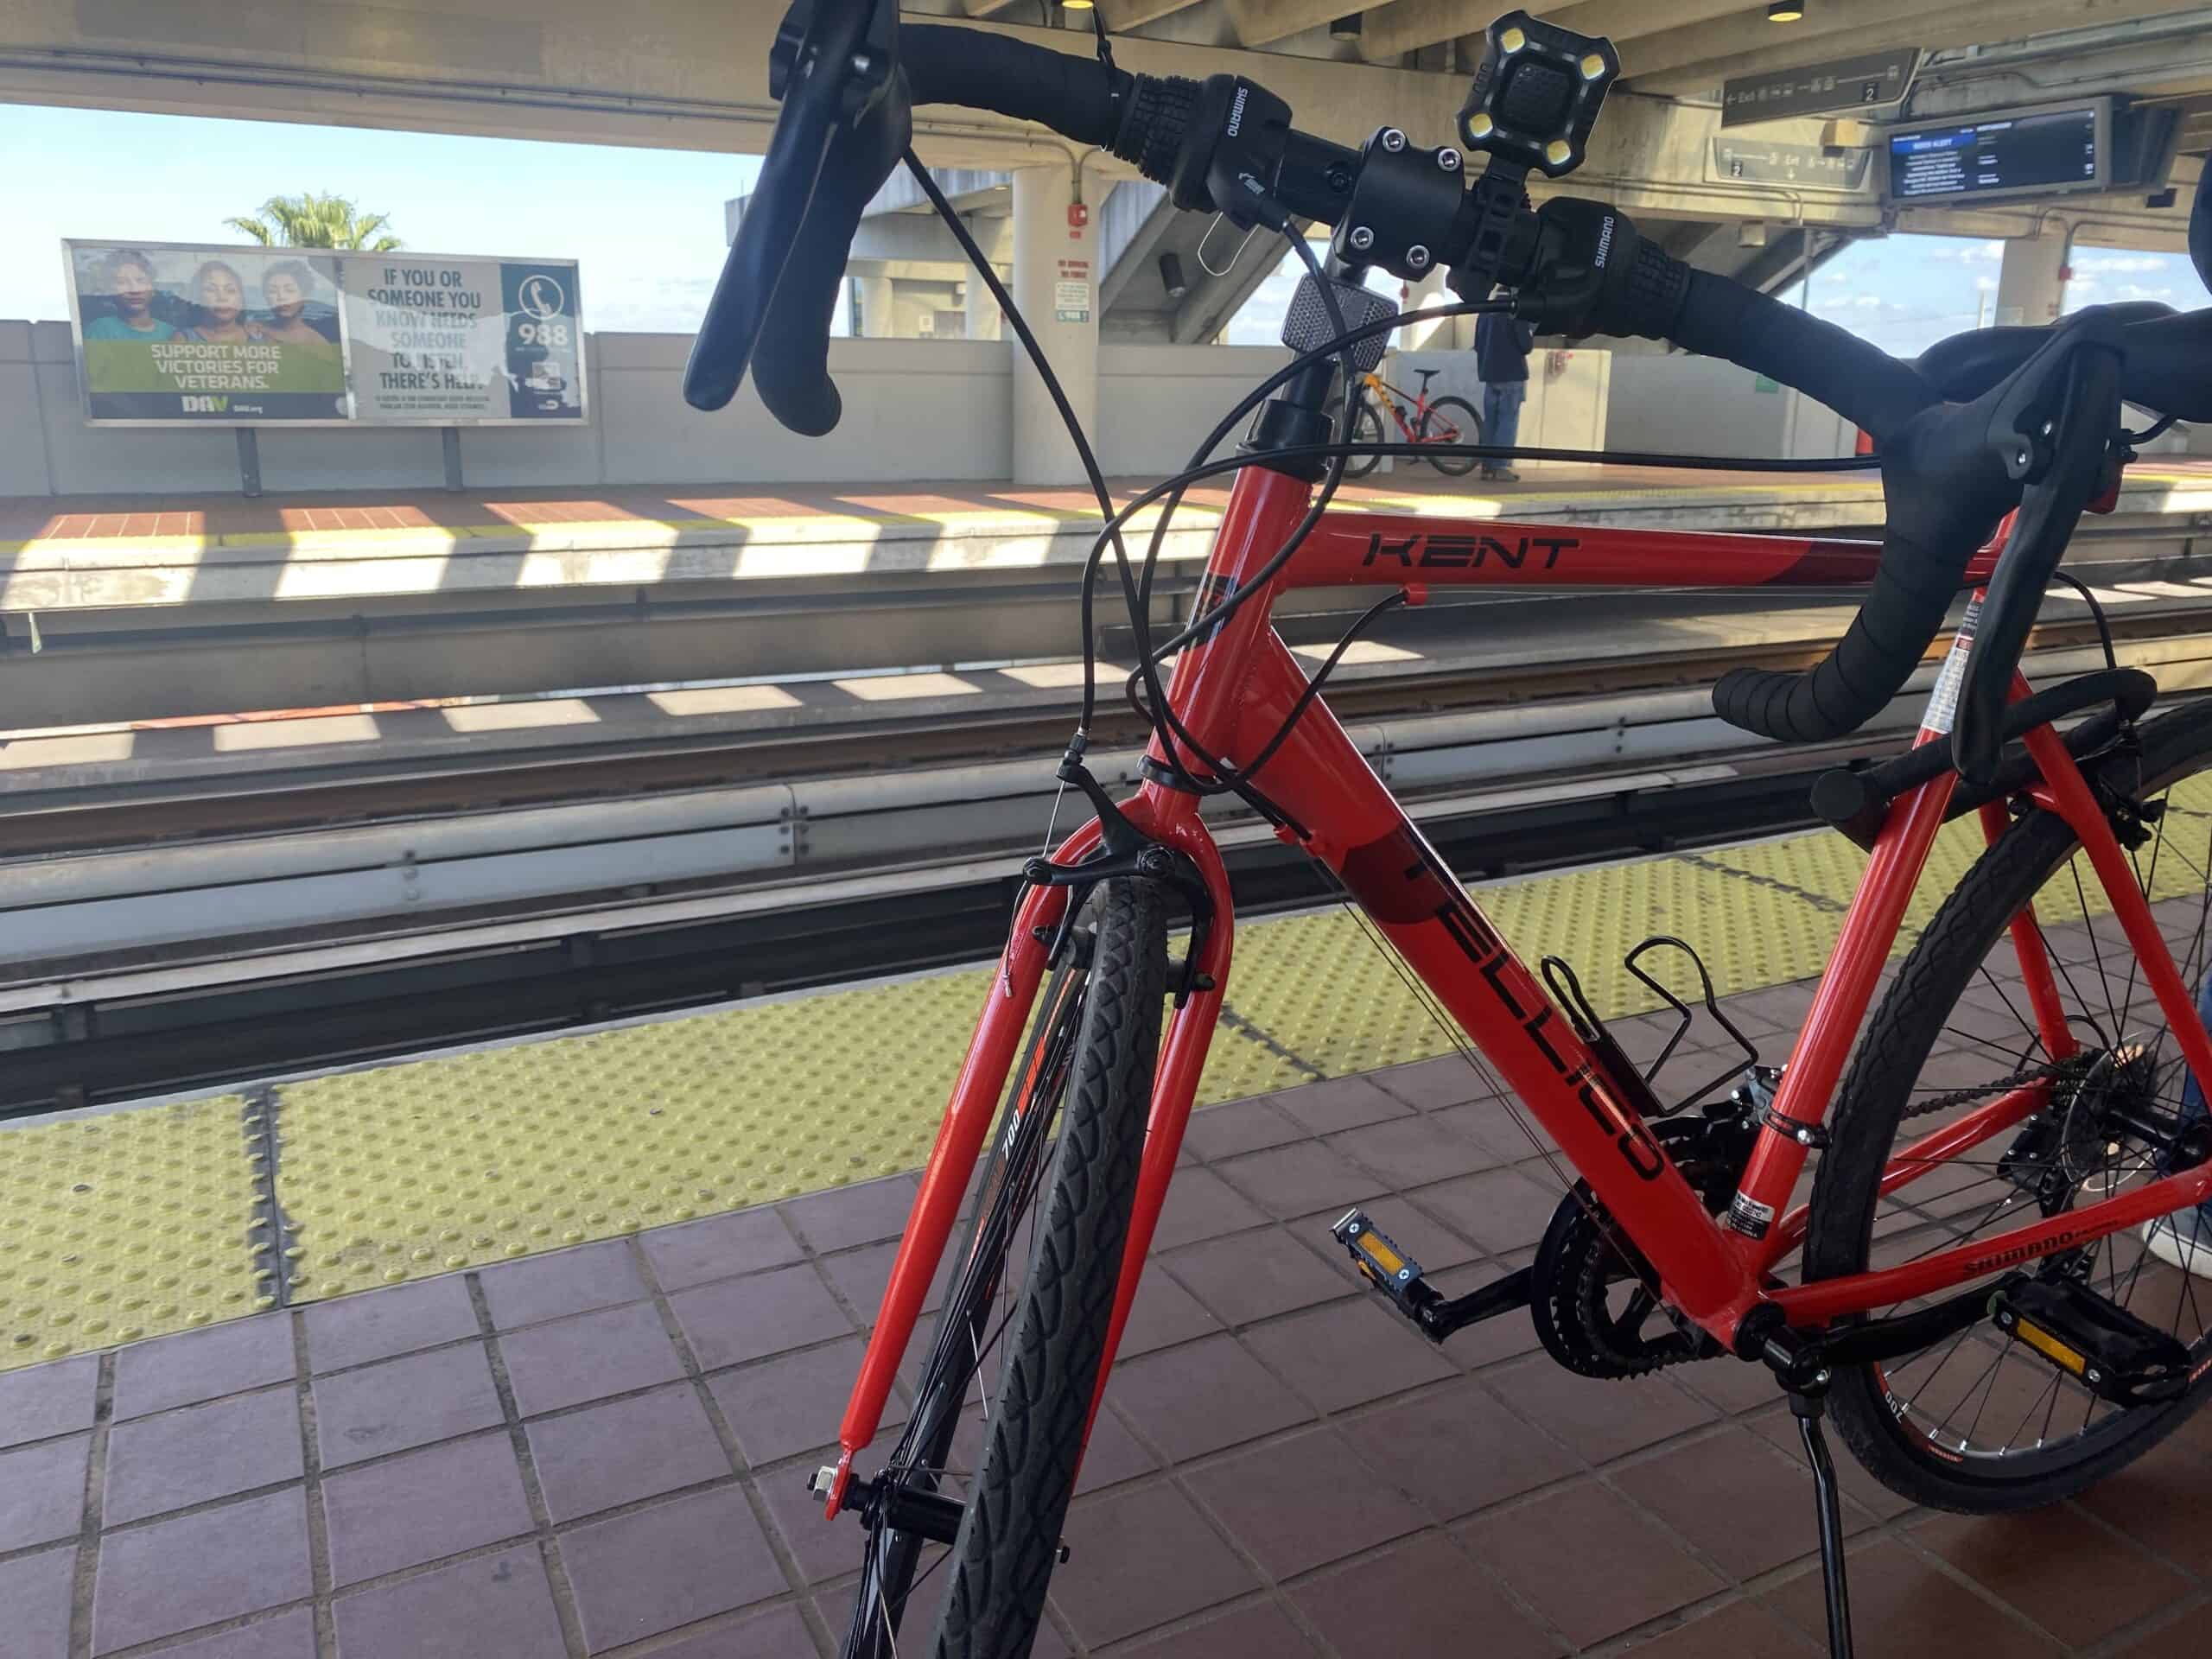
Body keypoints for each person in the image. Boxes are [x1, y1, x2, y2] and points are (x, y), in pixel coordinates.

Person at [1475, 305, 1535, 484]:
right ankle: (1501, 466)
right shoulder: (1517, 311)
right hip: (1512, 374)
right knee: (1508, 421)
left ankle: (1487, 466)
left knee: (1490, 421)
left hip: (1489, 373)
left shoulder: (1484, 312)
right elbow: (1526, 346)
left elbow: (1478, 344)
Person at [81, 249, 176, 340]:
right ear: (111, 290)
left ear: (153, 288)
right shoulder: (101, 330)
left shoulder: (172, 334)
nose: (134, 290)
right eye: (122, 282)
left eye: (141, 280)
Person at [255, 260, 337, 349]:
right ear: (265, 297)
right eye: (272, 291)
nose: (281, 297)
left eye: (290, 290)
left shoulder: (315, 342)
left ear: (304, 295)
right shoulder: (254, 329)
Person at [181, 260, 263, 344]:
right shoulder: (185, 339)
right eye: (211, 290)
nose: (222, 297)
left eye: (230, 290)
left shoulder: (259, 336)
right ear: (198, 298)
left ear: (241, 299)